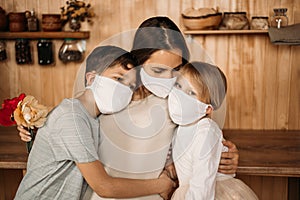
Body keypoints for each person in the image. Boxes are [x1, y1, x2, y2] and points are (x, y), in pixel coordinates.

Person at [19, 17, 239, 199]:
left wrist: (226, 154)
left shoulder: (177, 100)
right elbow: (75, 120)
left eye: (177, 70)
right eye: (159, 71)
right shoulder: (113, 95)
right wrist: (37, 126)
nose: (169, 79)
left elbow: (200, 134)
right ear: (140, 62)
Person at [15, 45, 176, 200]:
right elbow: (104, 186)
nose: (124, 89)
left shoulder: (95, 119)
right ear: (92, 78)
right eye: (118, 78)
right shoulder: (71, 118)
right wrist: (160, 185)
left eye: (130, 85)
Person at [168, 61, 258, 199]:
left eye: (191, 92)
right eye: (178, 86)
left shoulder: (206, 131)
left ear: (208, 108)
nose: (180, 95)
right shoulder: (180, 128)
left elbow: (203, 183)